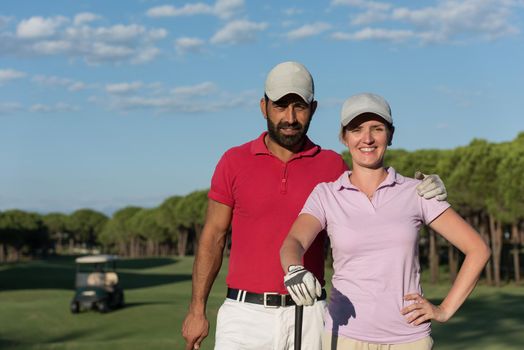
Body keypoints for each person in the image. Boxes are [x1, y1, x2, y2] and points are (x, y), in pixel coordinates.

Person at [181, 62, 448, 350]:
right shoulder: (234, 161)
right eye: (281, 106)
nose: (290, 117)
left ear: (314, 108)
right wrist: (197, 310)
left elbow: (376, 194)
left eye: (300, 106)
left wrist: (422, 189)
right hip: (245, 314)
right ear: (263, 107)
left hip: (310, 315)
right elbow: (213, 237)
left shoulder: (332, 164)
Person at [280, 93, 491, 350]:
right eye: (356, 130)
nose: (367, 139)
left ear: (390, 135)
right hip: (345, 336)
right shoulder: (326, 195)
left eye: (377, 129)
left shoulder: (418, 192)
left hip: (409, 339)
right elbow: (294, 241)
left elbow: (478, 249)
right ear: (344, 137)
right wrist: (293, 269)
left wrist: (444, 310)